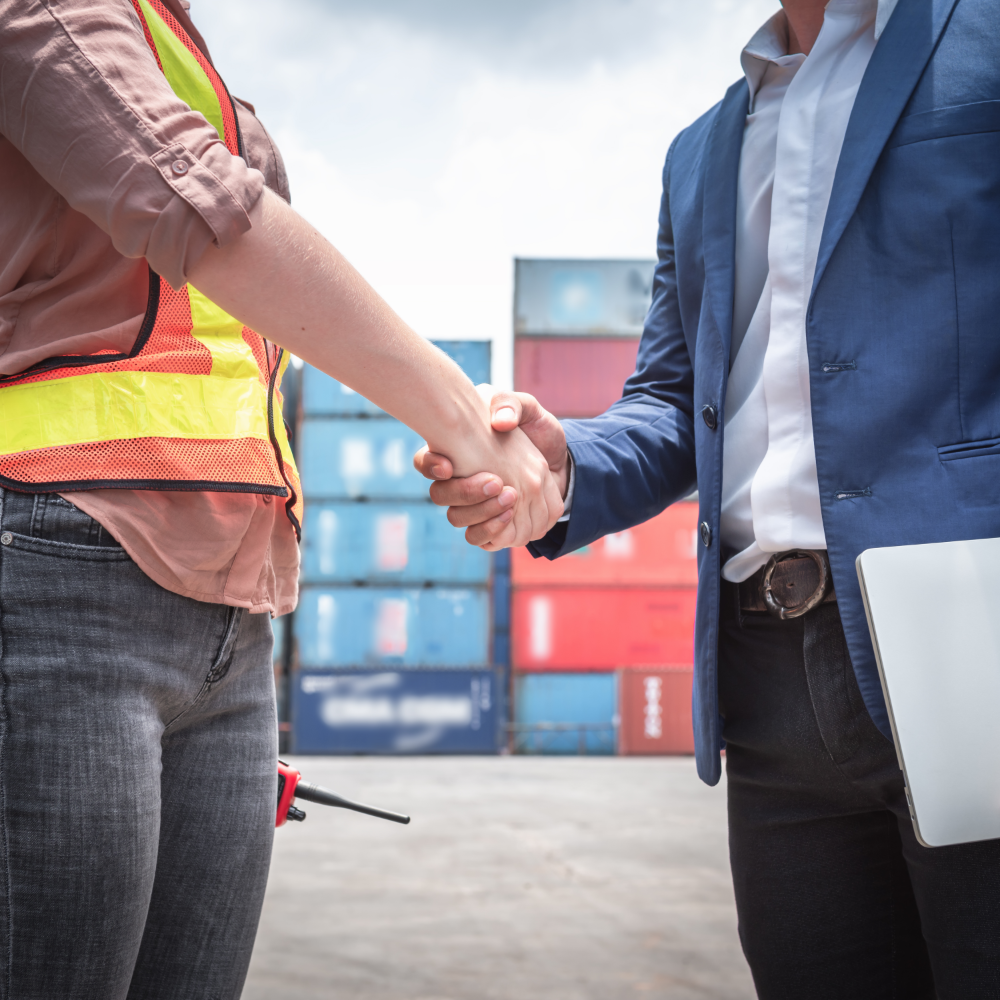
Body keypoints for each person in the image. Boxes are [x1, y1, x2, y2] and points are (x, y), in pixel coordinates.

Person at [417, 0, 1000, 994]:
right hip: (766, 675)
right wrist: (560, 474)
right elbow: (675, 402)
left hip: (969, 638)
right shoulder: (700, 150)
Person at [0, 1, 562, 997]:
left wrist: (472, 424)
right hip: (60, 577)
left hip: (233, 616)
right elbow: (194, 204)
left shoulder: (181, 48)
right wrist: (460, 421)